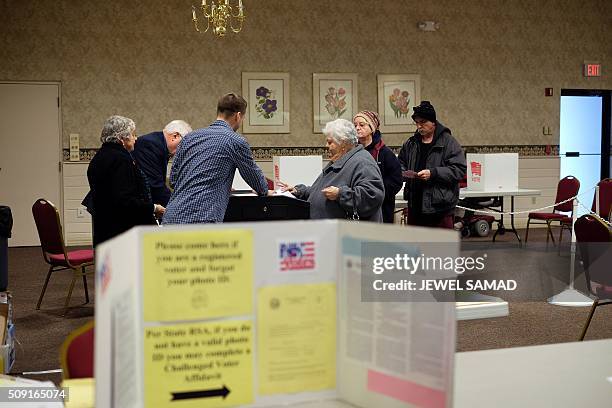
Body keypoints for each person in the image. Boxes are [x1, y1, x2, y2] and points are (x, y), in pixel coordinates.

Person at [162, 93, 268, 224]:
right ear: (238, 116)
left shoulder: (189, 138)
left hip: (172, 216)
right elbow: (258, 183)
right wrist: (264, 189)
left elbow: (173, 180)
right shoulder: (236, 141)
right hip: (202, 219)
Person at [280, 118, 384, 221]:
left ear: (343, 143)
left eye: (330, 142)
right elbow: (322, 191)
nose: (326, 146)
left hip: (348, 234)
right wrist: (299, 191)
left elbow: (373, 196)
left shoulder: (362, 162)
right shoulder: (340, 160)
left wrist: (340, 194)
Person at [87, 115, 164, 247]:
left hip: (106, 230)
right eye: (133, 134)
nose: (136, 138)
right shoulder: (121, 160)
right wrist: (153, 208)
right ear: (122, 138)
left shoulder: (100, 157)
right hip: (122, 232)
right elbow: (125, 201)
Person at [398, 101, 466, 228]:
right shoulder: (411, 143)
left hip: (440, 209)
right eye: (417, 123)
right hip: (415, 207)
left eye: (423, 122)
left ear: (433, 122)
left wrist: (433, 173)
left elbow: (459, 169)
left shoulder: (448, 142)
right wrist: (404, 173)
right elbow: (400, 163)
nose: (419, 126)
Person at [353, 110, 402, 223]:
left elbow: (396, 181)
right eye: (355, 125)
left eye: (362, 125)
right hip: (358, 209)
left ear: (372, 128)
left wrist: (374, 193)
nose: (357, 128)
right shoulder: (352, 152)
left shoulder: (385, 153)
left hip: (382, 210)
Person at [132, 120, 192, 207]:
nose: (185, 150)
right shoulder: (150, 145)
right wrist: (178, 207)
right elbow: (155, 185)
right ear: (175, 136)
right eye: (186, 144)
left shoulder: (158, 144)